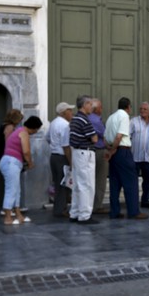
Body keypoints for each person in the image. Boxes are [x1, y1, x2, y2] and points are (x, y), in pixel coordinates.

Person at [104, 97, 149, 220]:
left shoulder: (110, 117)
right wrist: (114, 149)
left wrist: (110, 150)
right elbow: (119, 136)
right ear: (128, 107)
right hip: (122, 151)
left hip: (113, 153)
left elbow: (105, 137)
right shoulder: (124, 116)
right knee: (131, 182)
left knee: (115, 183)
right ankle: (134, 211)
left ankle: (114, 211)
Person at [0, 115, 43, 225]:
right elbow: (26, 151)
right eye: (37, 129)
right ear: (34, 128)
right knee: (11, 190)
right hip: (11, 163)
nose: (36, 132)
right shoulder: (24, 133)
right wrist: (30, 163)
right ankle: (8, 218)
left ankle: (19, 215)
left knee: (16, 190)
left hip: (10, 162)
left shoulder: (19, 130)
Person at [69, 95, 99, 224]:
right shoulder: (84, 120)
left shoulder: (74, 119)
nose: (92, 107)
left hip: (76, 152)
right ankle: (85, 215)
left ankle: (75, 213)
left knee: (77, 185)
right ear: (84, 105)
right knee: (87, 185)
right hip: (85, 153)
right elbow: (94, 138)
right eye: (90, 104)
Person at [47, 102, 74, 217]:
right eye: (69, 111)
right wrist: (71, 161)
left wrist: (54, 145)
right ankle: (61, 210)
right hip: (62, 157)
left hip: (54, 156)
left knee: (58, 183)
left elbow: (47, 137)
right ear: (64, 113)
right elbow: (66, 146)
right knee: (63, 184)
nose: (72, 113)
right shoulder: (65, 125)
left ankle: (59, 208)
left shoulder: (53, 123)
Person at [0, 109, 26, 215]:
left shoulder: (3, 126)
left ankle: (13, 207)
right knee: (12, 186)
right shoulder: (9, 127)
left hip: (5, 157)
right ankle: (8, 210)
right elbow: (9, 143)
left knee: (12, 185)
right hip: (9, 158)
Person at [88, 98, 109, 214]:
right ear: (96, 109)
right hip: (99, 151)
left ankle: (89, 204)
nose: (102, 109)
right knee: (100, 179)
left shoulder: (86, 118)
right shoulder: (96, 120)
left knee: (90, 180)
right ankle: (97, 205)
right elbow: (105, 136)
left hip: (88, 152)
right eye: (100, 107)